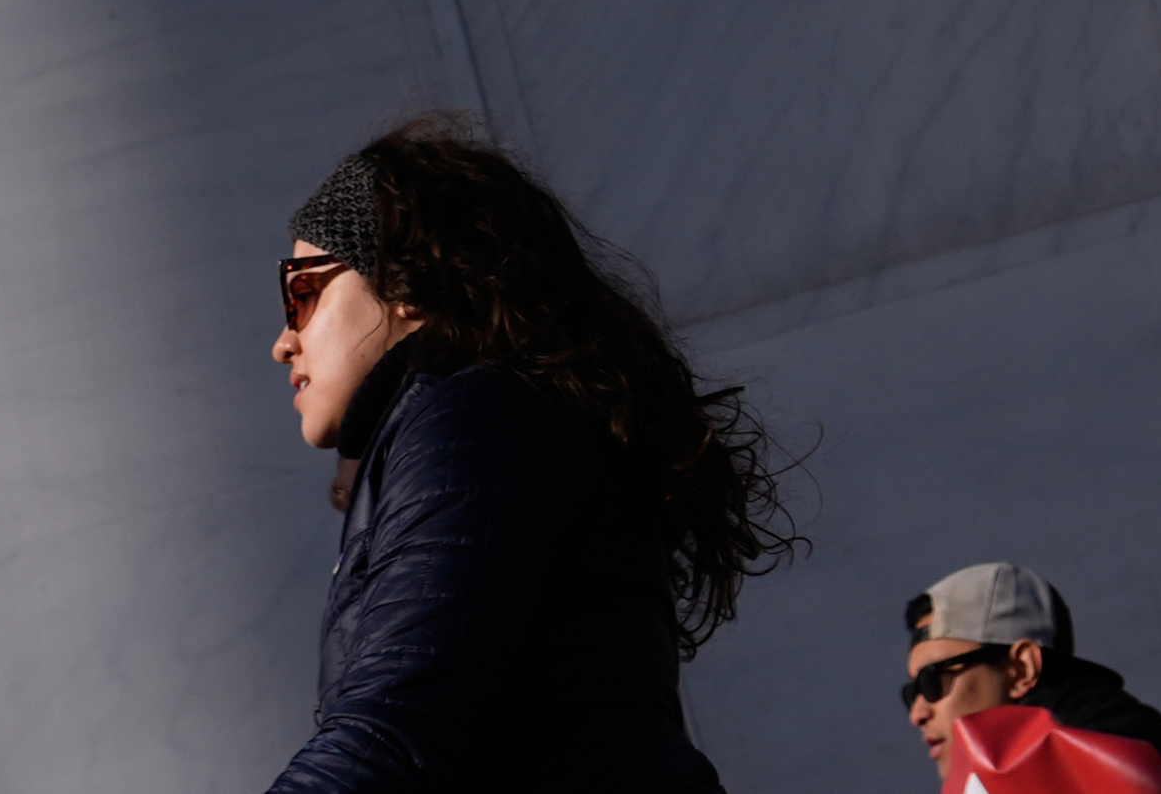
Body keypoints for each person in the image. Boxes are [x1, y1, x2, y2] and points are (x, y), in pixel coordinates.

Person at [264, 118, 792, 794]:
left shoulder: (471, 419)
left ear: (408, 284)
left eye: (303, 290)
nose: (284, 340)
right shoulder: (477, 421)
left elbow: (393, 728)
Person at [901, 563, 1161, 789]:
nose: (918, 713)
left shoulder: (1105, 746)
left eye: (932, 681)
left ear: (1022, 669)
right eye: (912, 693)